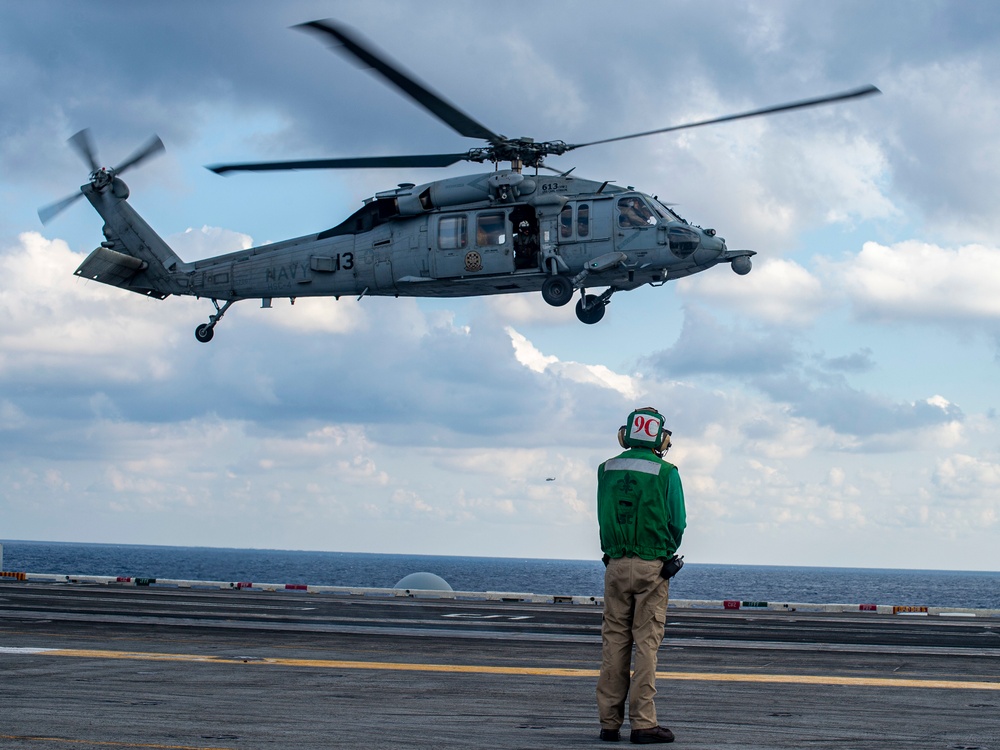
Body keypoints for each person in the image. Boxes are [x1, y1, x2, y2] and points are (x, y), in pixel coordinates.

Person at [596, 407, 686, 744]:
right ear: (660, 438)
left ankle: (608, 723)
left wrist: (613, 551)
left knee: (614, 643)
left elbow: (603, 516)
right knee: (646, 644)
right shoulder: (666, 471)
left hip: (615, 564)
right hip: (652, 567)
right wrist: (665, 552)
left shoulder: (606, 469)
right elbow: (677, 522)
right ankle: (644, 723)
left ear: (625, 435)